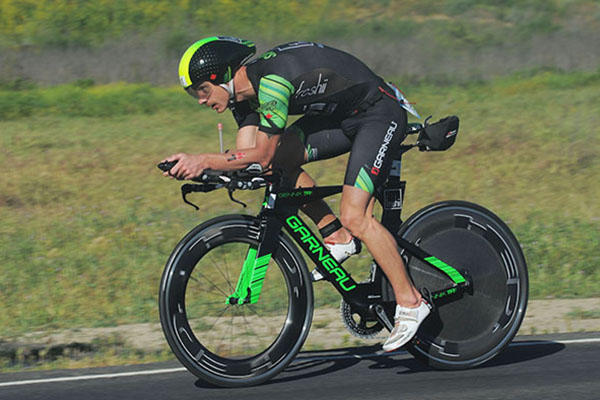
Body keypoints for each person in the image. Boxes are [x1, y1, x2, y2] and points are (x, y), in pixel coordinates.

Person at [163, 36, 430, 351]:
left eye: (202, 90)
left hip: (378, 114)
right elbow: (249, 159)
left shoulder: (272, 83)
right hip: (339, 118)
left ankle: (411, 302)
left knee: (355, 215)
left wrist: (203, 160)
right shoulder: (242, 98)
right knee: (277, 165)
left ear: (223, 76)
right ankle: (336, 235)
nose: (200, 100)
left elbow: (260, 155)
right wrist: (209, 173)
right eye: (194, 94)